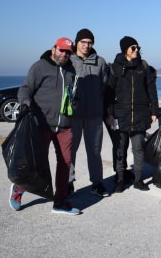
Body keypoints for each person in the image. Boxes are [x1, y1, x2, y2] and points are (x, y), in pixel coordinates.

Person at [12, 37, 80, 215]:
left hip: (65, 125)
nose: (64, 54)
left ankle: (60, 202)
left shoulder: (71, 70)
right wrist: (25, 104)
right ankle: (19, 189)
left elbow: (72, 94)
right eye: (62, 50)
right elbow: (25, 89)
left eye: (68, 52)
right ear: (53, 49)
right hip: (41, 125)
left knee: (65, 163)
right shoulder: (40, 67)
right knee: (35, 163)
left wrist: (75, 105)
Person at [107, 36, 159, 192]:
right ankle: (120, 179)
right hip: (121, 115)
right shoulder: (115, 67)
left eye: (138, 48)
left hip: (140, 114)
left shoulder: (143, 66)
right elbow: (109, 93)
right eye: (133, 48)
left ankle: (138, 179)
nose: (136, 50)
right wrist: (109, 113)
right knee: (120, 148)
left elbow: (151, 89)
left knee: (138, 149)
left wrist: (154, 111)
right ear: (125, 50)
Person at [69, 28, 109, 198]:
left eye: (89, 42)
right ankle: (68, 183)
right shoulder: (68, 60)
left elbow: (106, 87)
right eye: (83, 42)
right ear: (76, 43)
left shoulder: (100, 62)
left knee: (94, 150)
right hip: (73, 115)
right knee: (70, 151)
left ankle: (97, 183)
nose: (86, 45)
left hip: (94, 114)